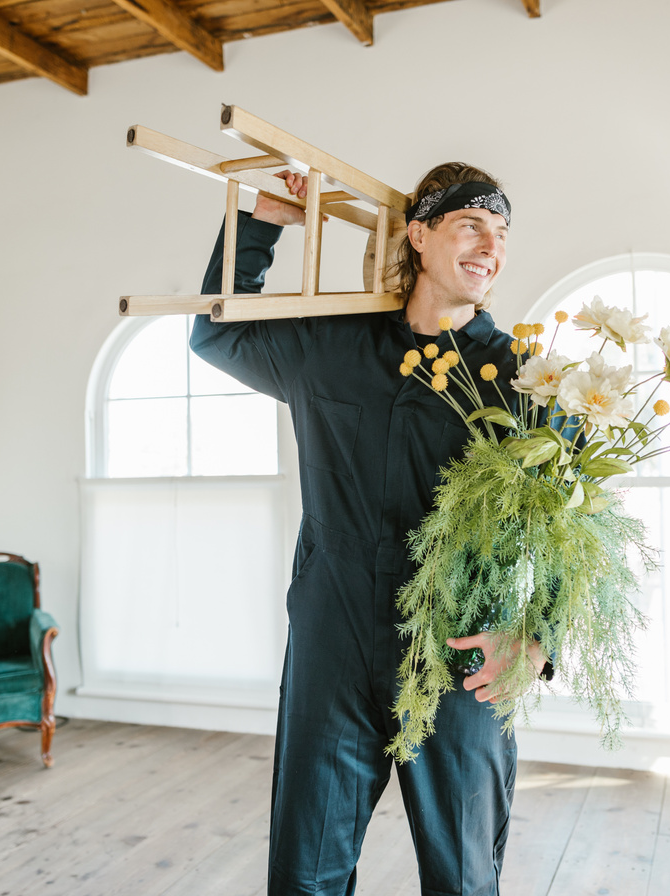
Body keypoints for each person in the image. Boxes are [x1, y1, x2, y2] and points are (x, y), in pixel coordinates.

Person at [191, 163, 546, 896]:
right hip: (335, 636)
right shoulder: (330, 346)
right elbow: (213, 335)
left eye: (502, 233)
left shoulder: (523, 377)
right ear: (419, 235)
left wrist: (539, 637)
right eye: (471, 225)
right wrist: (259, 222)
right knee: (305, 871)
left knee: (463, 876)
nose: (491, 247)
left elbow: (575, 521)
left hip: (459, 648)